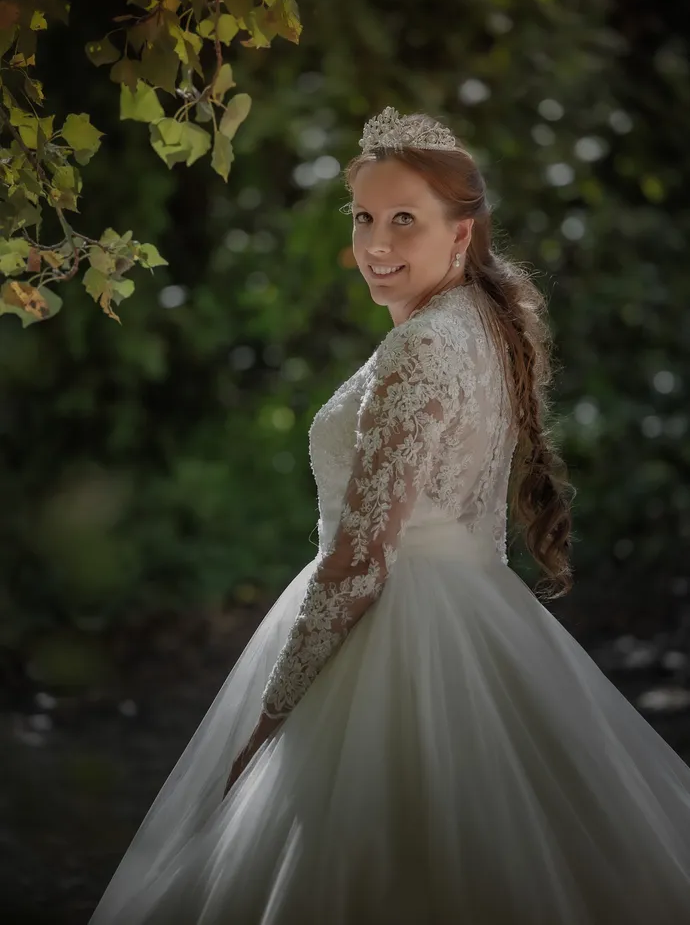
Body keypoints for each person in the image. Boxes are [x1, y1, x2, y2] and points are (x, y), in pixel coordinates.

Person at [88, 108, 690, 925]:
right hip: (476, 609)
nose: (376, 241)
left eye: (405, 218)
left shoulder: (424, 345)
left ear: (462, 232)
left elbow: (362, 556)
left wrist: (273, 717)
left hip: (399, 630)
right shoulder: (479, 323)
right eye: (365, 216)